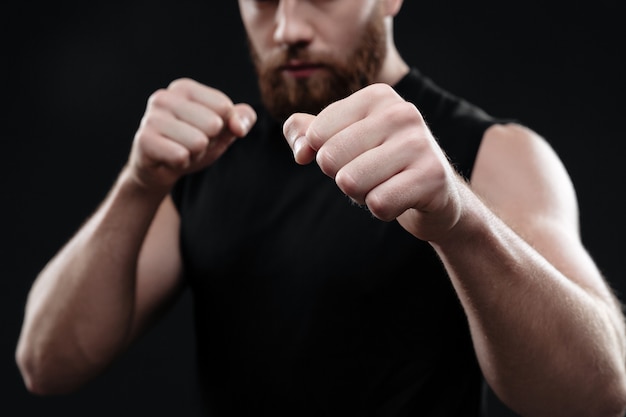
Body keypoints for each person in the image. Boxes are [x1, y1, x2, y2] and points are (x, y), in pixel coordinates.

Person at [15, 0, 626, 416]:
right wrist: (138, 183)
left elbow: (601, 392)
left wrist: (458, 219)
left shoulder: (494, 152)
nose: (287, 29)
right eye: (262, 1)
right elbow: (46, 362)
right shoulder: (206, 163)